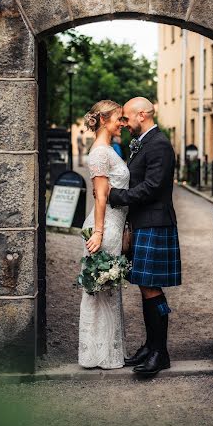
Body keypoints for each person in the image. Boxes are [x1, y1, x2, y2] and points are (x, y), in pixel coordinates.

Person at [109, 97, 181, 376]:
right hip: (144, 222)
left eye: (126, 117)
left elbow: (152, 187)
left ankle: (160, 353)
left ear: (142, 115)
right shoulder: (144, 143)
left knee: (151, 287)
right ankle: (151, 346)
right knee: (145, 285)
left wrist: (117, 197)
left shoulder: (159, 144)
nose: (124, 123)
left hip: (155, 223)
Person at [78, 100, 129, 369]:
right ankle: (97, 354)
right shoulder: (100, 153)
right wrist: (98, 233)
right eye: (119, 119)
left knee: (108, 291)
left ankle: (109, 350)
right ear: (104, 120)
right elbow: (100, 197)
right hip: (105, 226)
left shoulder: (109, 150)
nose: (122, 123)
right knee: (101, 289)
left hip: (115, 225)